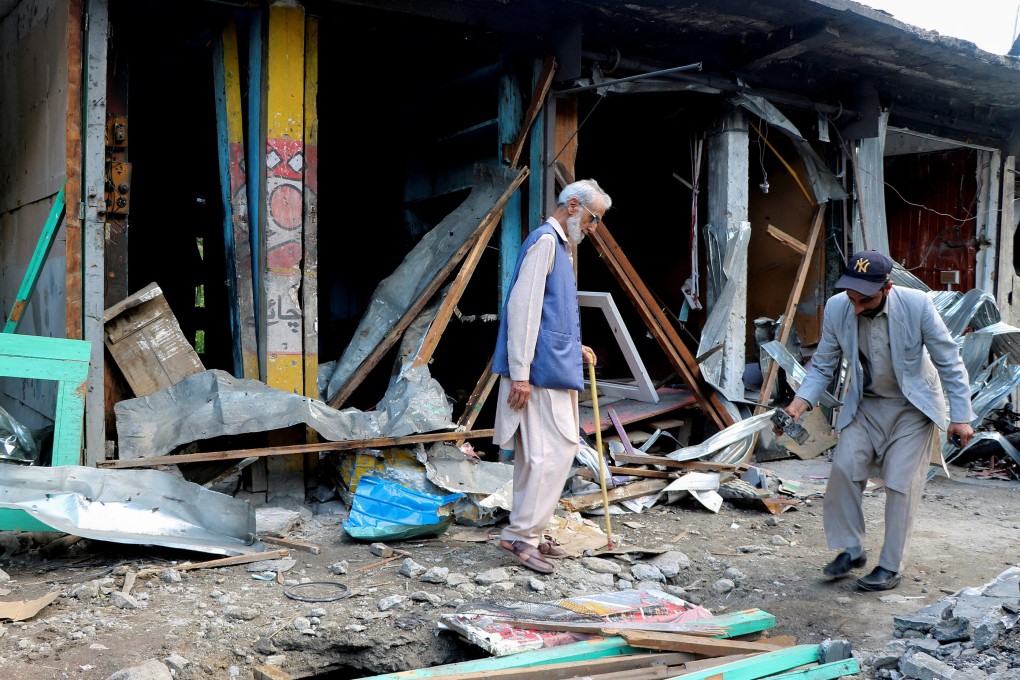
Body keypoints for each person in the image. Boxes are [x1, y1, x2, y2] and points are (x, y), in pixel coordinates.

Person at [781, 250, 975, 591]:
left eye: (864, 300)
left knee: (901, 483)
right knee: (843, 469)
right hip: (865, 404)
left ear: (887, 288)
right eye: (851, 297)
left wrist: (961, 417)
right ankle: (853, 550)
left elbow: (949, 360)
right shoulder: (840, 307)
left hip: (911, 408)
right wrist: (799, 403)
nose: (855, 306)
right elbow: (824, 364)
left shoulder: (917, 305)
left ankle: (890, 566)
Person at [491, 179, 612, 574]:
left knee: (538, 455)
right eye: (594, 219)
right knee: (553, 452)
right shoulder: (546, 241)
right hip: (539, 373)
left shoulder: (557, 245)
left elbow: (546, 312)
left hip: (550, 367)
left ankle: (527, 531)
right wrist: (521, 374)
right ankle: (521, 537)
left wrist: (574, 345)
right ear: (573, 206)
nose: (594, 228)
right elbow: (523, 310)